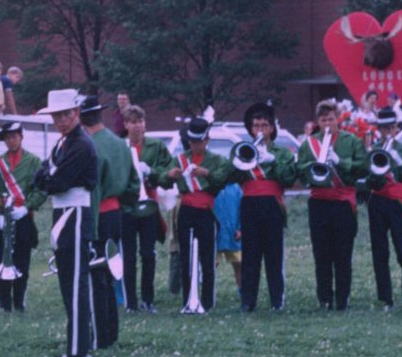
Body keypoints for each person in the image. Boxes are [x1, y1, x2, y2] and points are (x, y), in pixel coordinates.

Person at [41, 89, 101, 357]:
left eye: (66, 114)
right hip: (62, 210)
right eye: (57, 115)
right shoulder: (62, 143)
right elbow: (39, 176)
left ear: (76, 113)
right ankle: (76, 345)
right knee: (67, 279)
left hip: (76, 211)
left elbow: (56, 181)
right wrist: (47, 177)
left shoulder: (81, 143)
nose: (61, 120)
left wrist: (48, 177)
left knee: (76, 281)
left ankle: (79, 349)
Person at [301, 98, 366, 310]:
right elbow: (300, 169)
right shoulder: (309, 142)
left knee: (342, 254)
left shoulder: (352, 140)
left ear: (337, 118)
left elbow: (363, 168)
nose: (327, 124)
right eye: (323, 120)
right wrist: (313, 166)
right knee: (321, 254)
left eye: (331, 119)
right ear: (317, 121)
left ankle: (342, 299)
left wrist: (340, 161)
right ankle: (324, 299)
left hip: (343, 203)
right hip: (319, 202)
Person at [235, 103, 293, 312]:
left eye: (264, 125)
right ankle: (248, 301)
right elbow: (235, 175)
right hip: (250, 203)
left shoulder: (282, 152)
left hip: (272, 204)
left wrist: (273, 160)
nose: (260, 129)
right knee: (250, 254)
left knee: (273, 254)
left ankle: (277, 300)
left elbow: (289, 177)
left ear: (271, 128)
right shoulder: (243, 148)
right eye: (256, 125)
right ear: (251, 129)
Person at [359, 106, 402, 307]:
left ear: (396, 128)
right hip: (378, 203)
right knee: (380, 251)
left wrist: (400, 163)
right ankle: (386, 298)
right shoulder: (374, 150)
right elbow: (368, 183)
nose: (387, 132)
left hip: (398, 203)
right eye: (383, 129)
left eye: (391, 128)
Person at [117, 107, 174, 313]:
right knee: (129, 256)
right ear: (126, 125)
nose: (137, 125)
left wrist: (152, 171)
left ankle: (148, 300)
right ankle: (130, 302)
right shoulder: (120, 146)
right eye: (133, 122)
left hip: (149, 206)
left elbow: (169, 170)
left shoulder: (156, 146)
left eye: (140, 121)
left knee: (148, 254)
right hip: (127, 208)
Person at [0, 122, 41, 311]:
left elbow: (40, 189)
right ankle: (4, 302)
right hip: (3, 218)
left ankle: (19, 300)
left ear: (21, 137)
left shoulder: (34, 161)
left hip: (23, 217)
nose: (11, 140)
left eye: (14, 136)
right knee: (2, 258)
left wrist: (27, 207)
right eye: (7, 137)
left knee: (23, 259)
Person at [170, 116, 228, 314]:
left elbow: (223, 178)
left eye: (199, 141)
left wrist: (207, 174)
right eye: (192, 142)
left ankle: (208, 302)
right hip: (186, 210)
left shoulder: (216, 159)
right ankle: (188, 301)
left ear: (207, 140)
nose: (195, 145)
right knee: (186, 257)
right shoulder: (180, 158)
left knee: (207, 257)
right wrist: (171, 175)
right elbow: (165, 177)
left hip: (206, 212)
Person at [84, 97, 129, 344]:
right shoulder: (119, 143)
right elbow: (132, 182)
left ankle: (100, 335)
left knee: (96, 276)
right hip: (116, 212)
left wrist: (87, 224)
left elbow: (94, 190)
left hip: (98, 213)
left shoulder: (91, 145)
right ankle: (110, 332)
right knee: (110, 274)